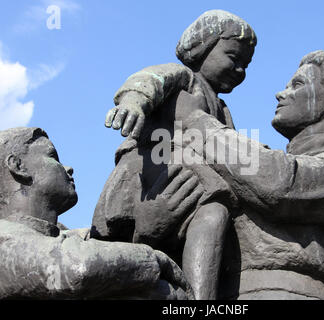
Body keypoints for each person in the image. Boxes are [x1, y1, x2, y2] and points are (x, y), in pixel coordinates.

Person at [175, 47, 324, 299]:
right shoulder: (253, 170)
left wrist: (196, 122)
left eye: (297, 85)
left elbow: (279, 183)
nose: (281, 93)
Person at [92, 10, 256, 300]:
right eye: (233, 57)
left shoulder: (224, 110)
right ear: (204, 46)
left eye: (246, 65)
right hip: (153, 171)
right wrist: (133, 102)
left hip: (195, 187)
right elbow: (148, 80)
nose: (240, 70)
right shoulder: (184, 78)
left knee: (215, 216)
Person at [0, 127, 192, 299]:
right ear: (18, 166)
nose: (68, 168)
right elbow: (78, 269)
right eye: (53, 156)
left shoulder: (66, 238)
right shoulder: (4, 239)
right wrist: (157, 259)